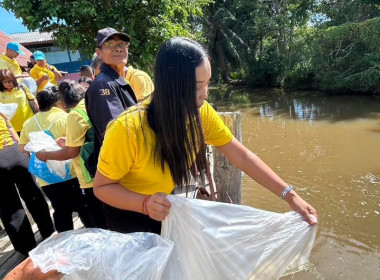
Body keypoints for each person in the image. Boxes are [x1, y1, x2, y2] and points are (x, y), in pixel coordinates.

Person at [93, 37, 318, 234]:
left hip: (164, 206)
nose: (204, 95)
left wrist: (290, 196)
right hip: (129, 213)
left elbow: (242, 156)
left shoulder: (201, 113)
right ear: (170, 85)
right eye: (197, 87)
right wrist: (144, 204)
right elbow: (102, 188)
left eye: (208, 84)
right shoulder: (127, 129)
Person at [36, 81, 107, 229]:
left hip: (91, 176)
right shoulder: (93, 103)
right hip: (109, 165)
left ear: (63, 100)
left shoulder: (75, 115)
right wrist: (69, 141)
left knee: (99, 223)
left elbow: (71, 152)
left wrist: (45, 155)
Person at [19, 87, 90, 232]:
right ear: (58, 102)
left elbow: (22, 148)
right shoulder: (66, 117)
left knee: (61, 211)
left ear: (38, 104)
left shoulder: (29, 123)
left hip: (47, 177)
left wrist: (41, 147)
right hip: (72, 173)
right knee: (84, 208)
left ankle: (65, 245)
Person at [85, 27, 137, 179]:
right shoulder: (104, 84)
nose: (118, 49)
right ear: (99, 52)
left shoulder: (115, 80)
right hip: (124, 172)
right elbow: (118, 134)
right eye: (110, 45)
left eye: (122, 45)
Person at [0, 111, 54, 256]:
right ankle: (48, 232)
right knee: (33, 195)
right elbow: (12, 131)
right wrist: (23, 154)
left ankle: (26, 247)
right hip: (16, 152)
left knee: (9, 206)